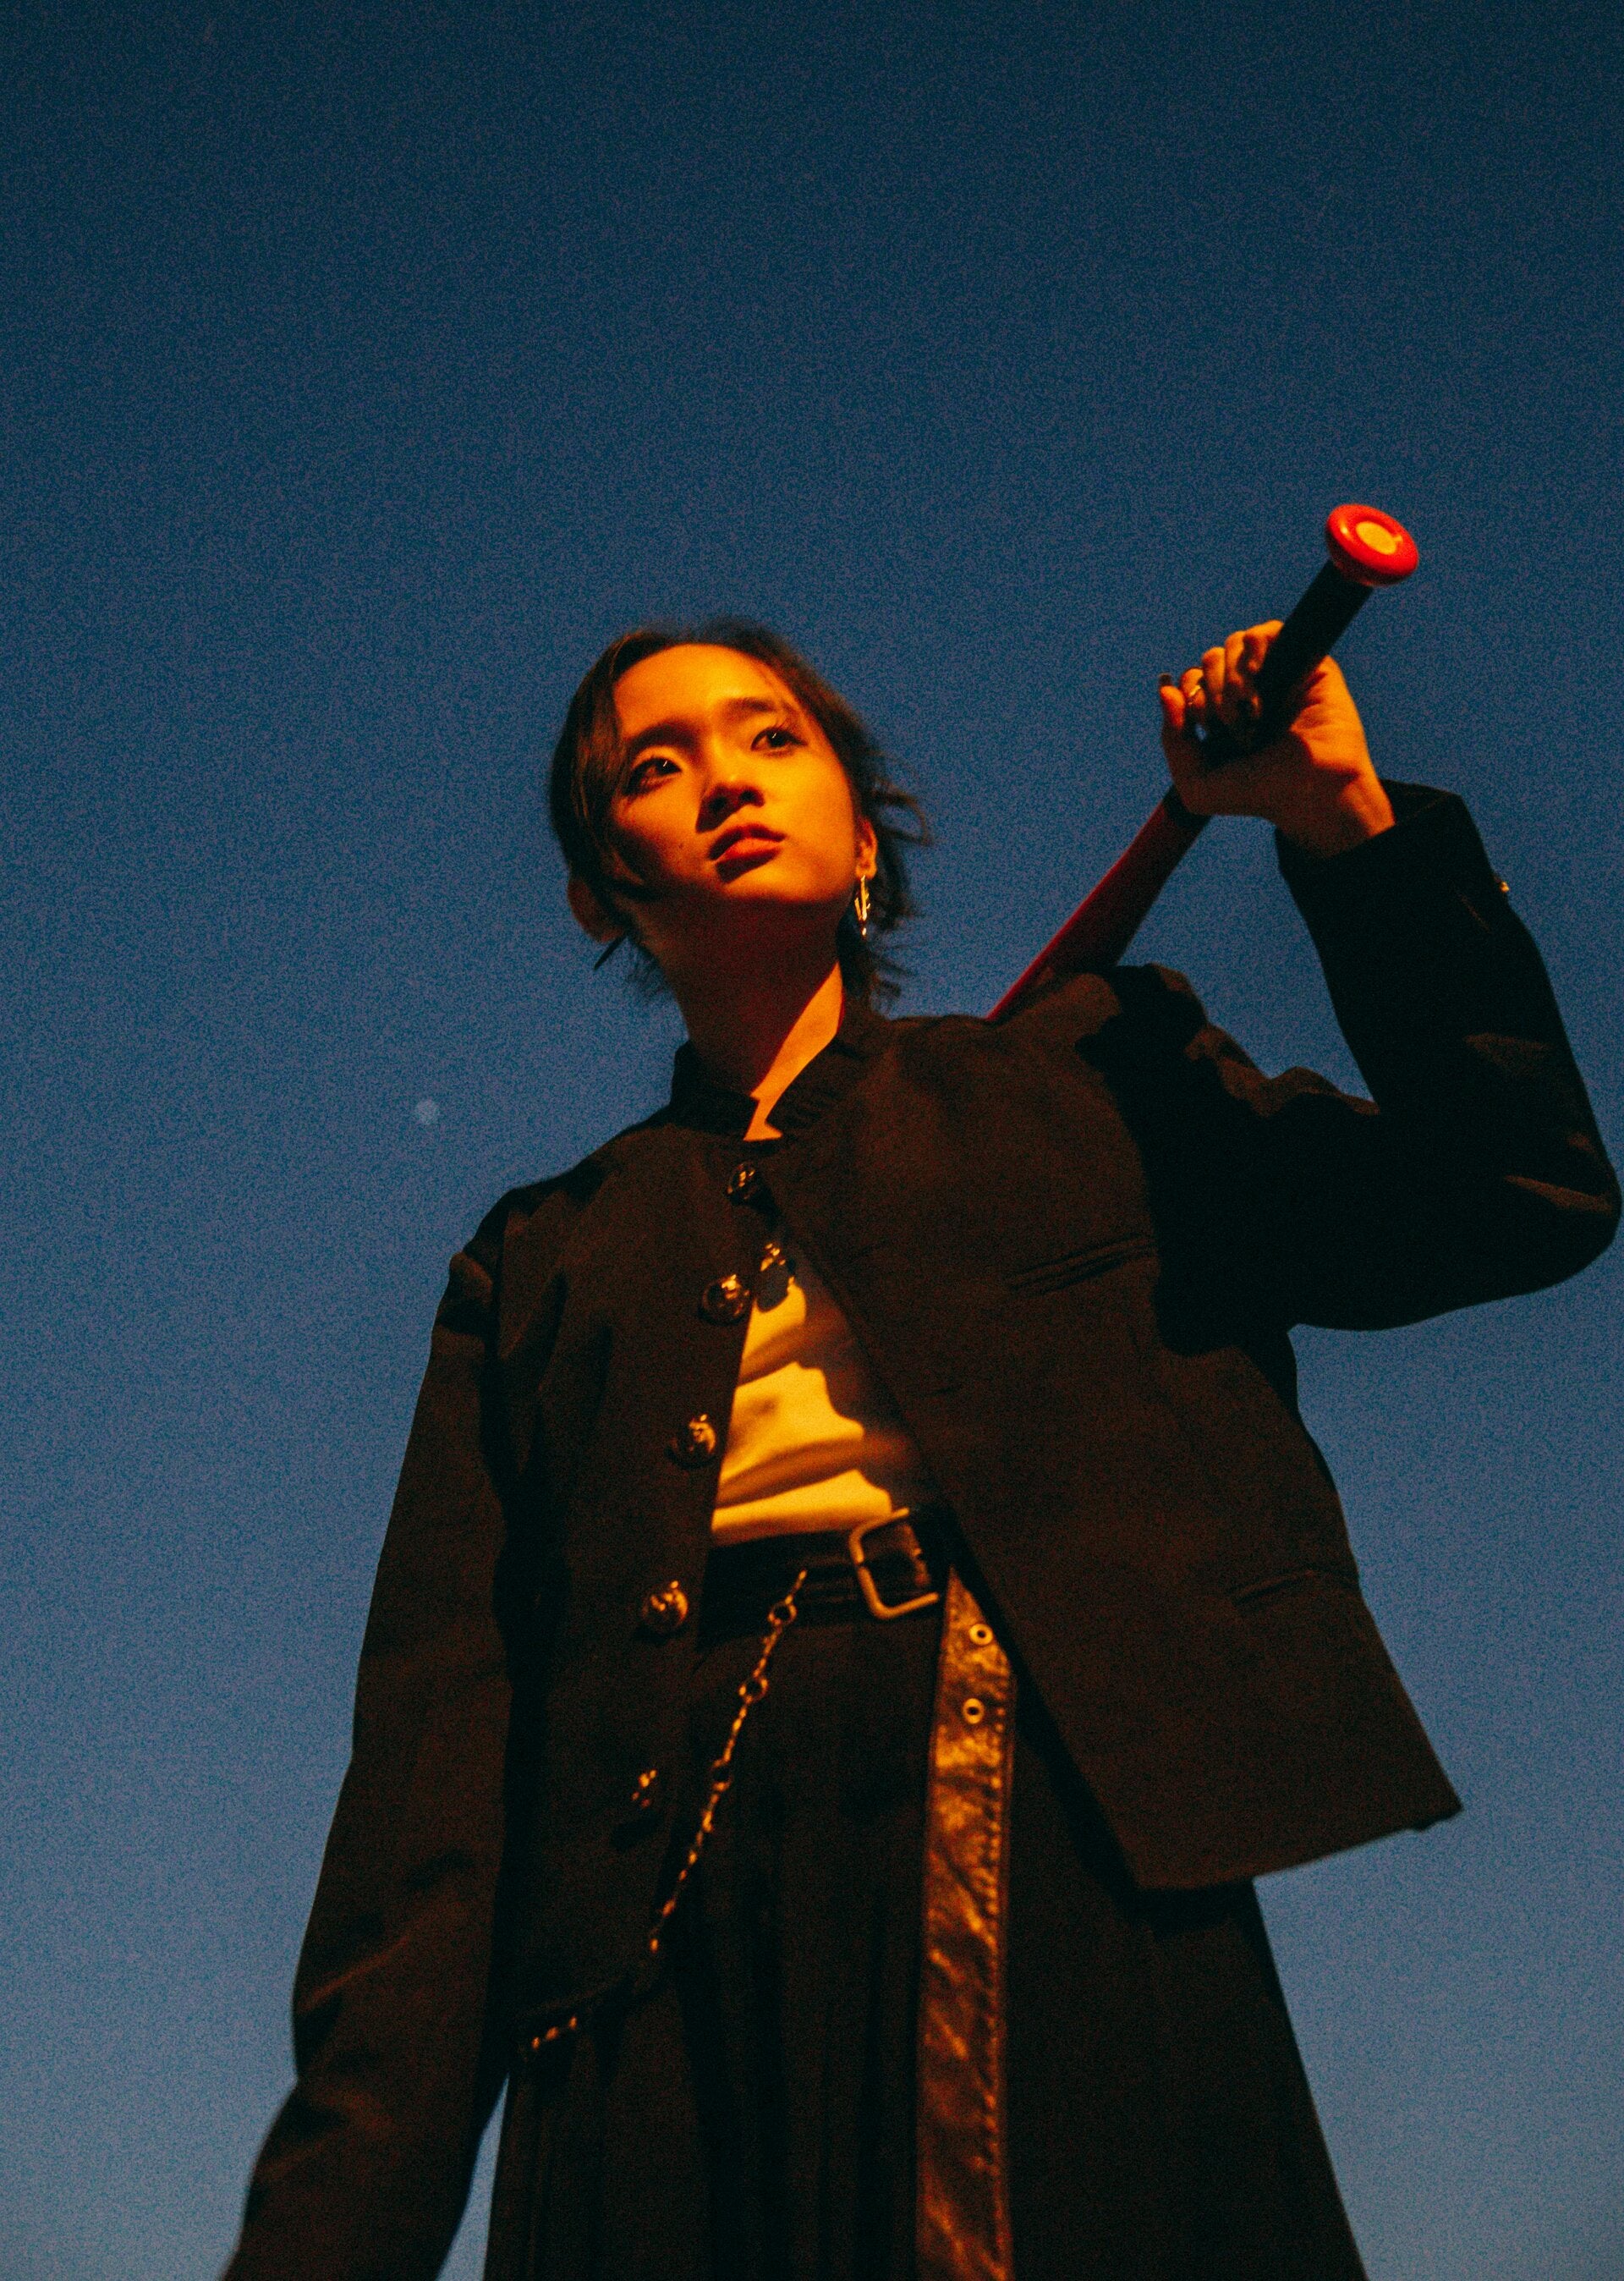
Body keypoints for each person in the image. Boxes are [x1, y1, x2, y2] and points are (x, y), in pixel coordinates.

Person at [222, 617, 1617, 2281]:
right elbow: (429, 1814)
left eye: (771, 738)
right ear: (601, 892)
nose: (726, 779)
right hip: (643, 1964)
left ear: (865, 835)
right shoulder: (536, 1262)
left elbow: (1512, 1193)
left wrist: (1341, 822)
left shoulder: (1086, 1080)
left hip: (1046, 1862)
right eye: (656, 765)